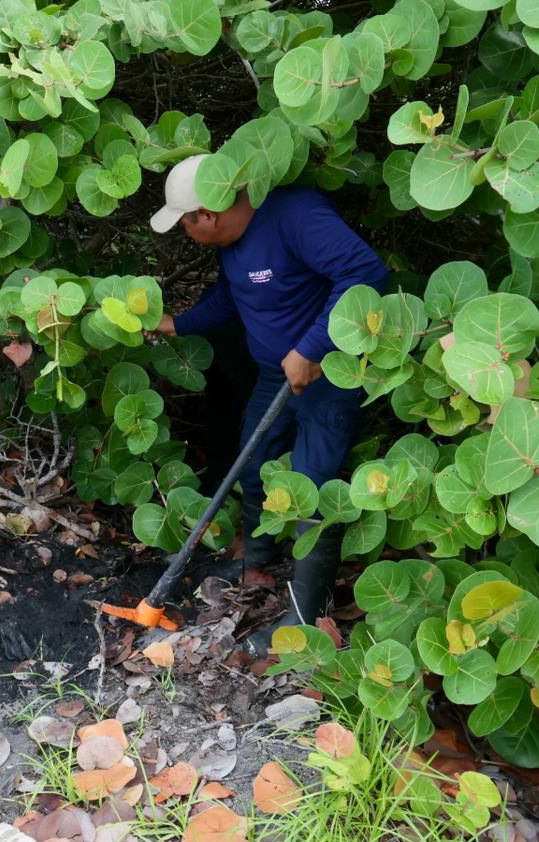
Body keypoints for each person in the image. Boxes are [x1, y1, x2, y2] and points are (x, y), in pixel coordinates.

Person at [149, 155, 388, 656]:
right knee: (254, 460)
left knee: (312, 487)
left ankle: (305, 614)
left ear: (207, 214)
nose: (186, 233)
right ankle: (255, 560)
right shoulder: (233, 246)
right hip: (274, 376)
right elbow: (231, 298)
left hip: (329, 377)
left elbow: (364, 274)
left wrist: (311, 348)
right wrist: (177, 324)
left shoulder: (295, 216)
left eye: (186, 224)